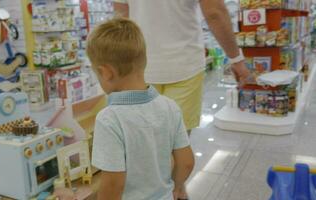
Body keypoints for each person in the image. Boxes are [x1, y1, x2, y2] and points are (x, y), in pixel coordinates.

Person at [87, 18, 194, 200]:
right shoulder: (169, 106)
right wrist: (176, 188)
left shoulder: (109, 119)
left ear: (106, 72)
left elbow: (113, 184)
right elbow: (186, 162)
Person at [113, 0, 252, 131]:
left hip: (140, 67)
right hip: (185, 64)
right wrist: (236, 59)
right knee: (178, 141)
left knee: (146, 138)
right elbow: (214, 13)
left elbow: (122, 19)